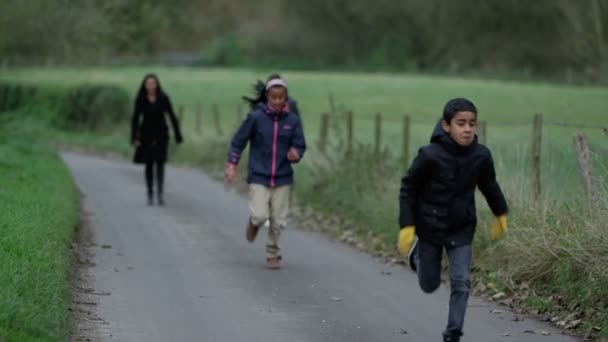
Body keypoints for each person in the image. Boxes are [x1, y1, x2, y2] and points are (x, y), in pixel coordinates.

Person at [398, 98, 508, 342]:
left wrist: (501, 213)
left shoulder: (481, 156)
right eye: (461, 124)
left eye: (472, 124)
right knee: (429, 284)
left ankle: (453, 333)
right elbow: (409, 188)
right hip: (430, 228)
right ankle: (417, 254)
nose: (467, 129)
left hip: (462, 227)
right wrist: (407, 224)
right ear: (446, 125)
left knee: (461, 282)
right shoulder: (430, 155)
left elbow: (489, 186)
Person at [225, 76, 306, 270]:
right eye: (273, 97)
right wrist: (232, 164)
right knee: (261, 216)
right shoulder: (256, 118)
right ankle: (254, 223)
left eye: (281, 98)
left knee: (278, 220)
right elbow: (238, 141)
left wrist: (296, 153)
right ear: (267, 97)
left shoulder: (292, 121)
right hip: (259, 175)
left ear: (286, 98)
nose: (277, 101)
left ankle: (273, 253)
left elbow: (300, 144)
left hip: (283, 177)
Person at [131, 73, 183, 206]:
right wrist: (134, 137)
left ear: (157, 84)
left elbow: (171, 116)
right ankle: (150, 193)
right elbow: (135, 119)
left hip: (161, 135)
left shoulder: (163, 98)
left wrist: (177, 135)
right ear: (145, 85)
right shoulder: (141, 99)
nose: (151, 86)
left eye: (153, 83)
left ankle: (160, 193)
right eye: (148, 84)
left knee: (160, 163)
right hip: (146, 135)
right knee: (149, 164)